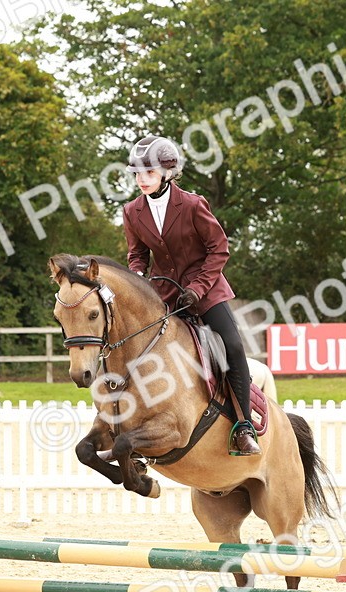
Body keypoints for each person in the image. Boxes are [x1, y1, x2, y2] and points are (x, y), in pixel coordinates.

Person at [122, 134, 260, 456]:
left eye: (149, 173)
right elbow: (137, 255)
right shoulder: (131, 211)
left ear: (168, 173)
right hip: (165, 295)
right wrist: (138, 277)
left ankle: (243, 426)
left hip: (207, 292)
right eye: (138, 173)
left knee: (232, 346)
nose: (142, 179)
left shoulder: (193, 204)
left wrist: (198, 288)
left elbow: (219, 248)